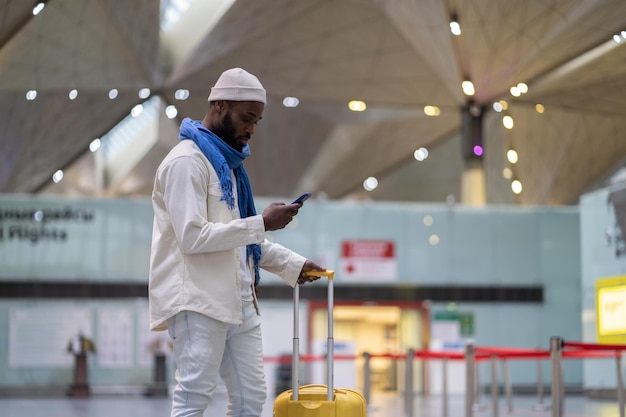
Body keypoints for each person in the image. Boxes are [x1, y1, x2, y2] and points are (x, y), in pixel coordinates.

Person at [148, 67, 325, 417]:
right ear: (220, 105)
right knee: (194, 396)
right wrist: (261, 223)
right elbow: (192, 237)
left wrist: (292, 264)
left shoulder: (227, 169)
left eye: (256, 121)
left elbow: (238, 240)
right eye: (247, 118)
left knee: (250, 398)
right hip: (198, 300)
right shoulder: (187, 163)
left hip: (239, 300)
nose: (250, 130)